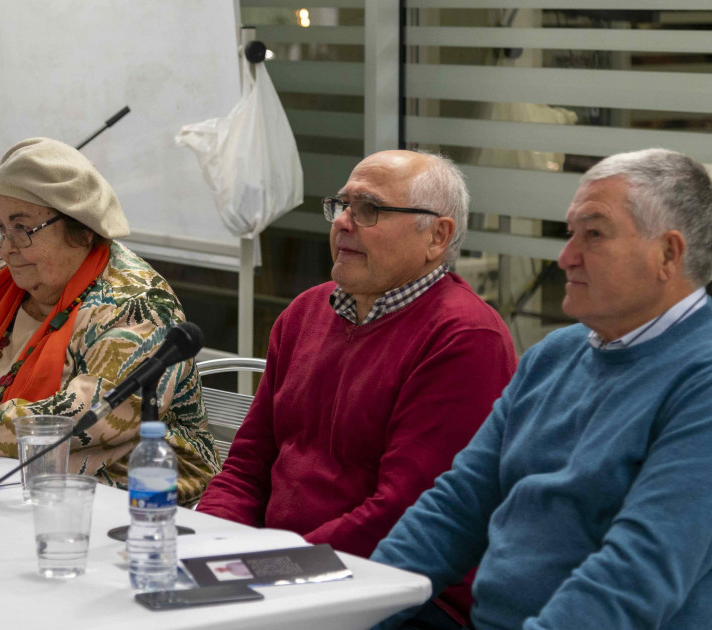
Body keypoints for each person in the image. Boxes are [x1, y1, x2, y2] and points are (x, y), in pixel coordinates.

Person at [372, 149, 712, 630]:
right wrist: (362, 610)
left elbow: (628, 586)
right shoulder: (556, 355)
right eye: (571, 233)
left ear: (668, 255)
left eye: (594, 234)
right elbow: (455, 509)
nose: (566, 256)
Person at [195, 149, 517, 625]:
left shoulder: (465, 338)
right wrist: (203, 544)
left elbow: (402, 514)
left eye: (369, 210)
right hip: (280, 569)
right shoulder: (305, 312)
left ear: (437, 236)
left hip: (399, 591)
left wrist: (263, 571)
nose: (344, 222)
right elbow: (247, 466)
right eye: (341, 206)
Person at [0, 137, 220, 507]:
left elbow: (88, 415)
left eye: (22, 229)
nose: (6, 248)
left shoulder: (138, 303)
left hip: (131, 498)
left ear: (80, 230)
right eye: (0, 228)